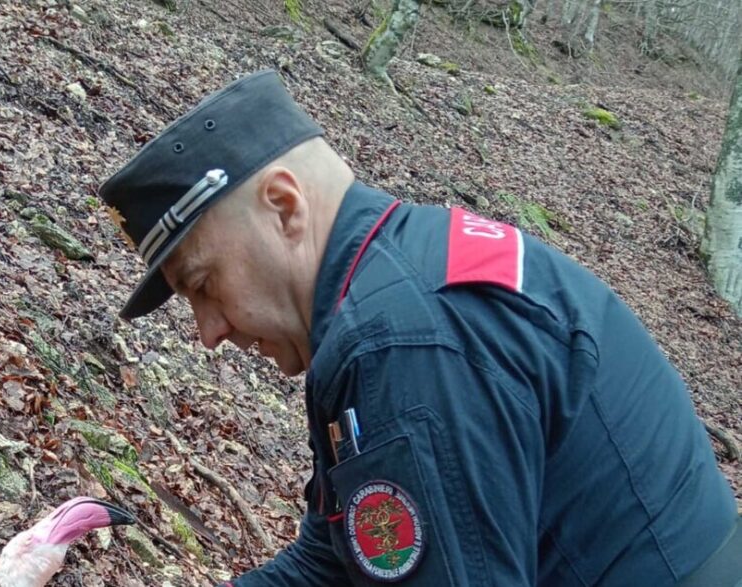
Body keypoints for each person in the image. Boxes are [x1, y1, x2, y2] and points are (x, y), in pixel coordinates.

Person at [98, 70, 741, 586]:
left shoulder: (399, 342)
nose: (208, 332)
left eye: (204, 285)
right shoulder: (405, 265)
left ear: (285, 207)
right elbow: (330, 559)